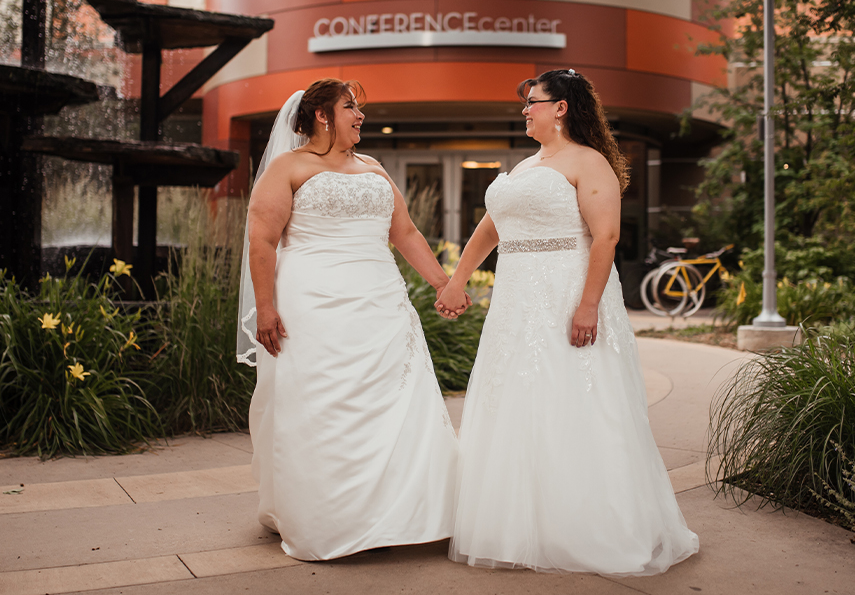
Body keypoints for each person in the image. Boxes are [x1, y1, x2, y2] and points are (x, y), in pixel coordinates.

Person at [436, 68, 699, 576]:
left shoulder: (589, 162)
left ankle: (585, 527)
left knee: (573, 399)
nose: (525, 110)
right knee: (512, 400)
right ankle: (513, 526)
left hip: (566, 294)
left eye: (532, 102)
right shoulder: (527, 165)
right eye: (525, 104)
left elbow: (605, 238)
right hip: (516, 302)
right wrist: (457, 279)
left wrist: (586, 307)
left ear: (561, 107)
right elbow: (491, 228)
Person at [236, 78, 465, 561]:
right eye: (349, 106)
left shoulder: (374, 168)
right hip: (313, 302)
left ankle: (409, 515)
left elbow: (404, 232)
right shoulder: (288, 168)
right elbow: (261, 242)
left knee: (397, 401)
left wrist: (445, 283)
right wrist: (267, 307)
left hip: (380, 301)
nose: (359, 115)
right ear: (322, 115)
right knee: (325, 405)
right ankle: (330, 517)